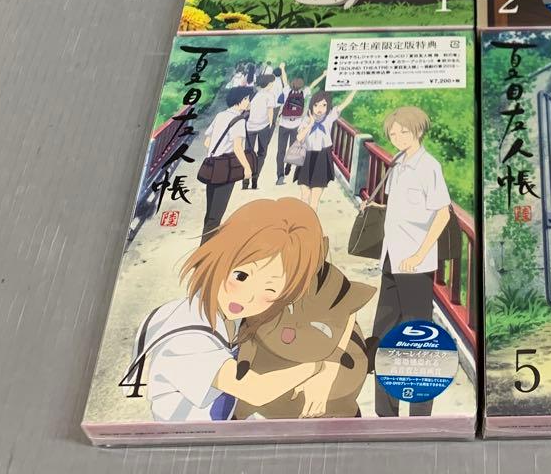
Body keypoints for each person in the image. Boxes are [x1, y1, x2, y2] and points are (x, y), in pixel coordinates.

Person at [122, 198, 352, 421]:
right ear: (221, 255)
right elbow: (254, 389)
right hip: (186, 437)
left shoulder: (233, 313)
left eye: (270, 289)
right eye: (241, 276)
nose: (247, 297)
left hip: (225, 423)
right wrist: (317, 368)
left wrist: (329, 371)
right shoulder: (187, 336)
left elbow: (343, 307)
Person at [360, 106, 451, 417]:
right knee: (384, 335)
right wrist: (374, 208)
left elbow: (442, 214)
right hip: (391, 257)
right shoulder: (397, 163)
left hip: (415, 265)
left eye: (403, 131)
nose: (397, 137)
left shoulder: (429, 167)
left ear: (419, 131)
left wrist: (419, 255)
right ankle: (385, 412)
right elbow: (399, 208)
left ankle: (419, 414)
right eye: (393, 133)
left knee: (418, 340)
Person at [199, 86, 255, 244]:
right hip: (225, 169)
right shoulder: (238, 121)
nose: (248, 102)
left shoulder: (220, 115)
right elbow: (238, 147)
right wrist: (247, 168)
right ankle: (205, 250)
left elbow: (207, 142)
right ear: (239, 100)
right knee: (216, 215)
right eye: (246, 99)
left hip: (212, 167)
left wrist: (217, 150)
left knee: (210, 212)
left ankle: (205, 245)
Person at [294, 84, 357, 212]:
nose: (320, 109)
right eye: (316, 105)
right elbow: (299, 138)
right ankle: (302, 221)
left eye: (324, 105)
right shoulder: (306, 120)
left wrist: (355, 89)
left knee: (314, 201)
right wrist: (310, 124)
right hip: (307, 157)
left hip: (322, 157)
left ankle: (311, 223)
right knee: (304, 197)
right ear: (312, 106)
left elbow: (344, 104)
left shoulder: (329, 117)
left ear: (328, 107)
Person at [242, 64, 287, 191]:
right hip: (263, 127)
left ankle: (245, 179)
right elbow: (270, 112)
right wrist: (271, 125)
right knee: (262, 152)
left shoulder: (252, 94)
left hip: (250, 127)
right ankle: (255, 178)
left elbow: (246, 108)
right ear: (268, 84)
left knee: (248, 152)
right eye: (271, 83)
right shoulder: (269, 95)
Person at [275, 73, 311, 185]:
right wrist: (323, 75)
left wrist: (282, 68)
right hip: (296, 126)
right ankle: (288, 166)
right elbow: (313, 84)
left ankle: (280, 175)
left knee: (281, 151)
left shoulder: (287, 90)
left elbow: (284, 79)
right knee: (293, 149)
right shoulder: (304, 92)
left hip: (283, 125)